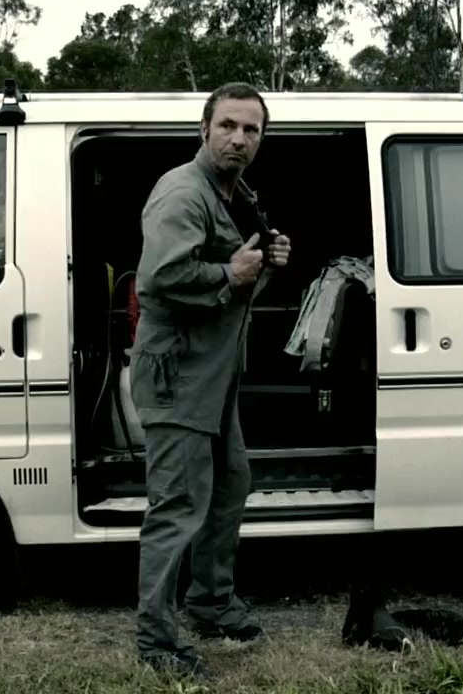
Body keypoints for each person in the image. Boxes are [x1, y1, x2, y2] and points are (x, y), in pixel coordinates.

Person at [129, 82, 292, 680]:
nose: (238, 139)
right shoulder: (183, 191)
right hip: (180, 373)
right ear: (205, 130)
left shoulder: (236, 194)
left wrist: (265, 263)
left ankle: (210, 602)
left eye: (250, 129)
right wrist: (231, 271)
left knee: (228, 486)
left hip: (215, 374)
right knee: (177, 506)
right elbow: (162, 277)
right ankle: (156, 641)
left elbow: (236, 283)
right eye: (227, 126)